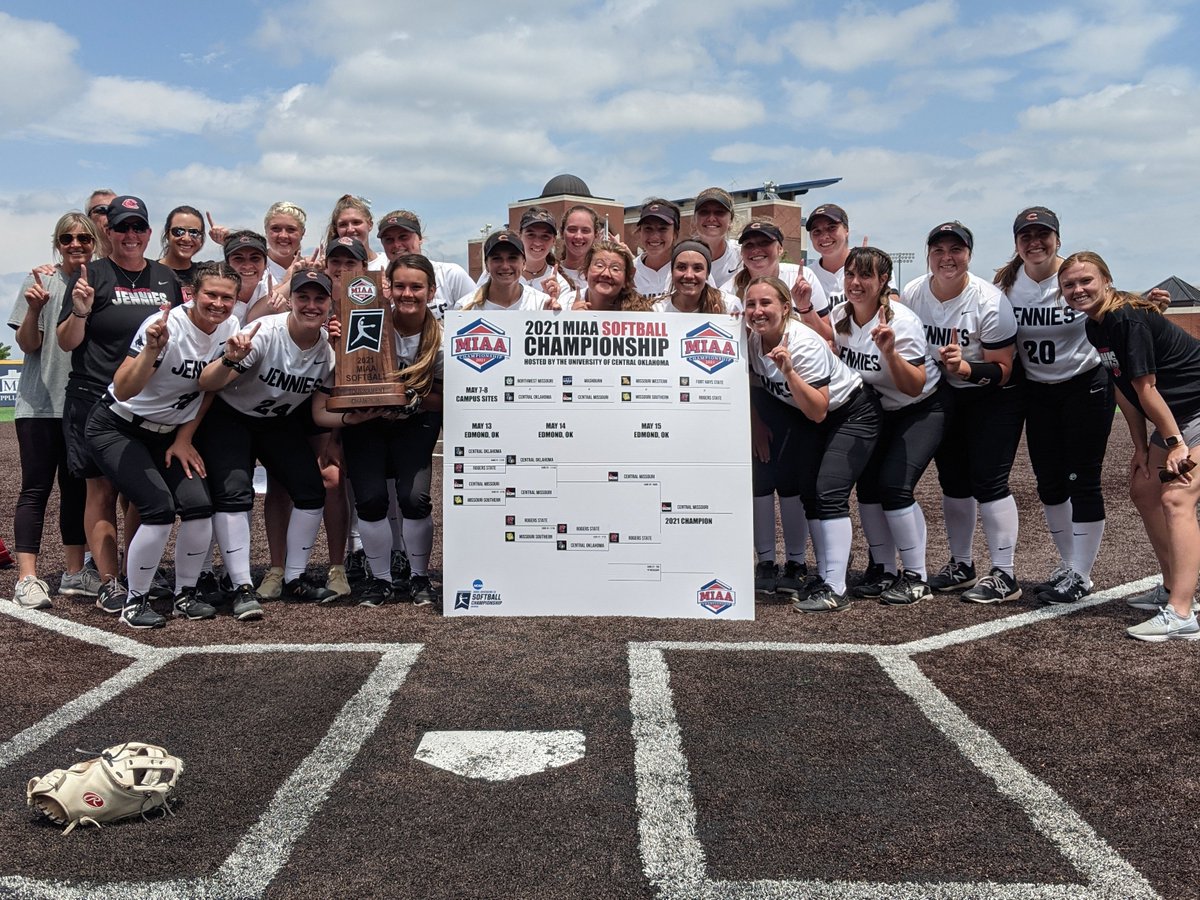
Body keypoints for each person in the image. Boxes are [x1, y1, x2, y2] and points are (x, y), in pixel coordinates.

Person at [83, 261, 241, 628]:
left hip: (167, 433)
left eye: (227, 297)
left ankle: (185, 594)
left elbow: (209, 389)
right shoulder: (165, 325)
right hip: (117, 425)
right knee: (157, 507)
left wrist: (185, 438)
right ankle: (134, 602)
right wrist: (152, 351)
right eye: (211, 295)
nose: (218, 303)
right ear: (192, 294)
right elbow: (123, 388)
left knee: (199, 505)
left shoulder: (230, 328)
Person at [1059, 252, 1200, 642]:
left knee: (1177, 496)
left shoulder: (1125, 318)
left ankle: (1183, 612)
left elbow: (1146, 387)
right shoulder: (1096, 326)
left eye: (1086, 280)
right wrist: (1140, 446)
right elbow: (1123, 389)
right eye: (1069, 285)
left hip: (1194, 410)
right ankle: (1172, 586)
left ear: (1107, 280)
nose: (1077, 290)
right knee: (1143, 489)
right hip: (1177, 412)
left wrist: (1173, 444)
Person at [57, 195, 185, 616]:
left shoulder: (166, 278)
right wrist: (79, 311)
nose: (130, 236)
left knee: (138, 492)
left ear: (149, 233)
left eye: (138, 228)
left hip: (146, 404)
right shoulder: (90, 275)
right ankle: (110, 581)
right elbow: (66, 342)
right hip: (94, 397)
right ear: (106, 233)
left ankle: (137, 572)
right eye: (121, 228)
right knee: (101, 489)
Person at [196, 268, 342, 612]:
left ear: (330, 306)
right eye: (302, 297)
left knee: (310, 490)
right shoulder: (263, 334)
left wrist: (365, 415)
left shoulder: (328, 352)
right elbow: (207, 382)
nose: (310, 305)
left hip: (277, 421)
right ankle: (242, 585)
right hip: (231, 417)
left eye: (319, 298)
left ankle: (295, 577)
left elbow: (321, 414)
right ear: (289, 301)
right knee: (234, 495)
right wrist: (230, 358)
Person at [313, 253, 444, 607]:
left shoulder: (441, 339)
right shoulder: (364, 320)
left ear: (431, 291)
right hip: (367, 419)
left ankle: (418, 578)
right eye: (399, 285)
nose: (407, 293)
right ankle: (381, 579)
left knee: (414, 498)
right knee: (370, 499)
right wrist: (334, 337)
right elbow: (340, 378)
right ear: (387, 288)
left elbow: (448, 398)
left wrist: (409, 397)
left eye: (416, 286)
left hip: (414, 421)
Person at [996, 208, 1111, 604]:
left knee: (1084, 480)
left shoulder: (1074, 277)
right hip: (1039, 393)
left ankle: (1081, 574)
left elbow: (1111, 307)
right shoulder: (1007, 284)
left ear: (1058, 239)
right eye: (1025, 236)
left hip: (1084, 386)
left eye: (1042, 235)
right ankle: (1069, 565)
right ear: (1016, 243)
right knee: (1049, 483)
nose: (1034, 242)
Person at [903, 222, 1021, 603]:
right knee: (953, 482)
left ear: (969, 255)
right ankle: (962, 564)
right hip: (946, 394)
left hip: (993, 395)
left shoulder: (989, 301)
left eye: (956, 250)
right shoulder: (914, 292)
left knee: (989, 481)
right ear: (928, 255)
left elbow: (1004, 370)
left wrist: (966, 369)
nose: (946, 258)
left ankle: (1005, 573)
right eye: (938, 250)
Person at [746, 276, 879, 612]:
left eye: (766, 304)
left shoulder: (802, 343)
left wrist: (789, 372)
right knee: (809, 491)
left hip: (850, 413)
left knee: (828, 491)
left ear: (786, 308)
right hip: (813, 416)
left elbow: (818, 410)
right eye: (751, 304)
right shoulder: (752, 338)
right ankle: (826, 573)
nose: (757, 311)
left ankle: (836, 587)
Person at [832, 247, 945, 605]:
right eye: (851, 274)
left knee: (895, 487)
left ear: (883, 281)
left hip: (919, 407)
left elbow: (913, 385)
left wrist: (891, 353)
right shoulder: (840, 315)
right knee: (866, 488)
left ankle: (916, 575)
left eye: (866, 275)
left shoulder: (902, 322)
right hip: (877, 410)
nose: (856, 282)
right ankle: (882, 568)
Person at [8, 213, 102, 609]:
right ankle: (27, 577)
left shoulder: (102, 281)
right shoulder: (40, 281)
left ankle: (74, 571)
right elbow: (27, 345)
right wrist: (34, 309)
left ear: (95, 242)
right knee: (35, 489)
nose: (75, 244)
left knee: (77, 490)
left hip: (82, 404)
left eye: (83, 237)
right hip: (40, 403)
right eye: (67, 238)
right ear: (57, 242)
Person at [721, 219, 832, 341]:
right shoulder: (728, 291)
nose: (756, 249)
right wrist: (737, 330)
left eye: (764, 243)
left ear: (780, 249)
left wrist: (805, 308)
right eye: (749, 245)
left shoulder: (802, 278)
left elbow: (828, 338)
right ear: (741, 253)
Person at [375, 210, 475, 319]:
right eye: (389, 240)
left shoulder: (450, 274)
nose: (397, 244)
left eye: (403, 237)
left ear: (420, 238)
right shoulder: (376, 285)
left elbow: (478, 314)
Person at [456, 231, 556, 310]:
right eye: (497, 258)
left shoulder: (541, 304)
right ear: (486, 265)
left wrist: (554, 316)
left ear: (524, 263)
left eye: (512, 258)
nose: (505, 266)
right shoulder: (465, 307)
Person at [654, 240, 740, 314]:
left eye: (697, 268)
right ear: (672, 272)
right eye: (681, 267)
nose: (689, 275)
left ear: (707, 274)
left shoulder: (729, 307)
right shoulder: (656, 309)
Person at [570, 240, 652, 312]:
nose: (606, 274)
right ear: (585, 271)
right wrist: (572, 321)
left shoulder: (641, 315)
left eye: (615, 269)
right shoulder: (566, 305)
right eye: (599, 265)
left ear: (627, 278)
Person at [691, 187, 742, 286]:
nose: (711, 218)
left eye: (719, 212)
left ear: (731, 220)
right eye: (704, 212)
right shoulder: (682, 256)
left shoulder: (742, 255)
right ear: (694, 220)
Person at [632, 199, 681, 297]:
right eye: (648, 228)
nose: (654, 236)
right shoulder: (629, 271)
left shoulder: (689, 270)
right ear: (640, 232)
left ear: (675, 233)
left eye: (662, 229)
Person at [806, 204, 851, 307]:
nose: (824, 236)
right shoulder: (807, 276)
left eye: (831, 228)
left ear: (846, 230)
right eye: (817, 231)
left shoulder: (871, 263)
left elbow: (892, 307)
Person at [158, 205, 206, 299]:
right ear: (167, 234)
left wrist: (225, 241)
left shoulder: (206, 274)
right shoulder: (149, 272)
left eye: (194, 233)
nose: (186, 238)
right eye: (179, 231)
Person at [325, 194, 384, 271]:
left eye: (356, 222)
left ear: (370, 225)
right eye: (343, 224)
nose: (350, 229)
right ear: (336, 228)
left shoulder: (386, 263)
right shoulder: (329, 268)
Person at [557, 205, 599, 286]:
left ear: (595, 235)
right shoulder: (550, 274)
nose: (578, 236)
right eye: (572, 230)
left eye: (585, 230)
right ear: (562, 233)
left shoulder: (603, 275)